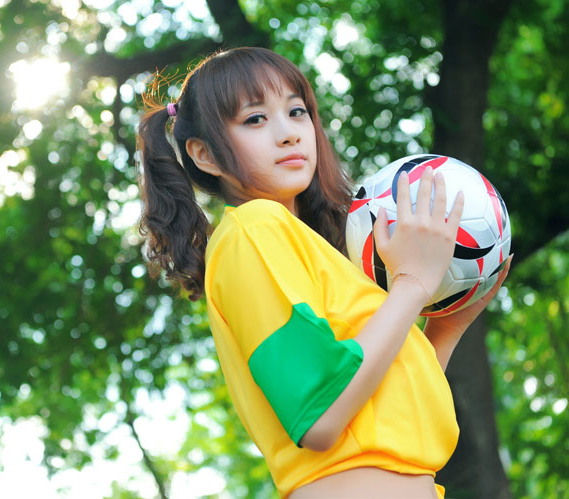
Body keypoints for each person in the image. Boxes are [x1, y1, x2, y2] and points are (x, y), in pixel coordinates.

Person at [135, 47, 511, 499]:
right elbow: (322, 413)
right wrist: (411, 286)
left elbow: (388, 407)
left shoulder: (323, 252)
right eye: (255, 119)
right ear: (204, 155)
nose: (289, 133)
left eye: (297, 112)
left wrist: (446, 328)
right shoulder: (252, 229)